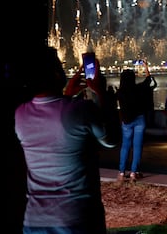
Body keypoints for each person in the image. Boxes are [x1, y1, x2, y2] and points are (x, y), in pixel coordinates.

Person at [14, 47, 116, 234]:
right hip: (76, 219)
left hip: (35, 220)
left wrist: (67, 95)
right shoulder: (80, 110)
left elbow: (54, 119)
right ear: (54, 73)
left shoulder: (20, 114)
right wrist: (101, 93)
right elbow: (111, 140)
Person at [116, 67, 154, 180]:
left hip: (126, 121)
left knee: (125, 146)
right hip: (139, 120)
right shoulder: (139, 88)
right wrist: (146, 68)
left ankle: (122, 173)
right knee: (137, 146)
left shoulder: (120, 92)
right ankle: (134, 172)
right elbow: (149, 79)